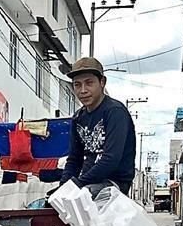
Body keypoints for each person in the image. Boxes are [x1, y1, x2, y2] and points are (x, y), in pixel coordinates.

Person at [57, 56, 137, 195]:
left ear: (102, 82)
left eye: (89, 83)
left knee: (83, 196)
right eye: (77, 84)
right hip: (88, 181)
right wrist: (63, 187)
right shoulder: (78, 118)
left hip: (114, 184)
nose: (83, 90)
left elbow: (111, 159)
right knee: (54, 201)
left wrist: (79, 183)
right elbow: (74, 159)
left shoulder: (115, 112)